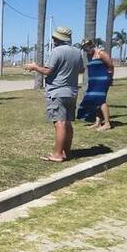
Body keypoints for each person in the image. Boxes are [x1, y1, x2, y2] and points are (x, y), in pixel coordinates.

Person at [24, 26, 86, 162]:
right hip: (72, 92)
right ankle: (67, 152)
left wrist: (34, 67)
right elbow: (82, 70)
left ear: (57, 39)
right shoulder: (77, 52)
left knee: (59, 123)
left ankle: (57, 154)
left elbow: (47, 71)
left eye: (54, 38)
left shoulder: (56, 52)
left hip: (57, 92)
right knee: (68, 123)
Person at [77, 39, 115, 130]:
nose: (86, 49)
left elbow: (110, 66)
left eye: (87, 47)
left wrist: (110, 78)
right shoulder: (89, 55)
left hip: (103, 81)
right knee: (95, 101)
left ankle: (107, 123)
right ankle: (98, 123)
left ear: (92, 45)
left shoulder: (101, 53)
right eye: (84, 48)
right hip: (94, 81)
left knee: (101, 100)